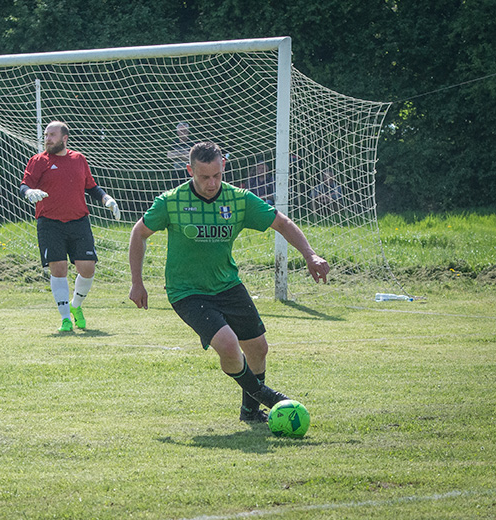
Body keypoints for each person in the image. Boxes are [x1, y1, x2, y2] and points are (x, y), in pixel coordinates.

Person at [129, 142, 329, 423]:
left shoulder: (239, 200)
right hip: (186, 291)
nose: (212, 184)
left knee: (258, 348)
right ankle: (268, 397)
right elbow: (139, 233)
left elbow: (281, 223)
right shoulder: (170, 202)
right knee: (228, 345)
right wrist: (137, 282)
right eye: (203, 177)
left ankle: (250, 411)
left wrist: (310, 254)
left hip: (227, 284)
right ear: (190, 171)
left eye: (217, 176)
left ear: (223, 167)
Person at [20, 121, 121, 332]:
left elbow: (91, 186)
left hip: (78, 221)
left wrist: (106, 199)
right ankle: (65, 318)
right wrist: (29, 193)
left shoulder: (79, 159)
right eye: (46, 135)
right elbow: (24, 185)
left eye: (52, 135)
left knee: (88, 268)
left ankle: (76, 306)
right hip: (49, 223)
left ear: (65, 138)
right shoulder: (38, 161)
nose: (47, 139)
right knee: (59, 270)